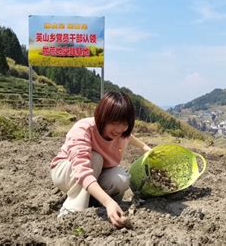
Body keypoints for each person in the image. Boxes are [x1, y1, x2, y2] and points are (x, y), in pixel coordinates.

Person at [50, 91, 151, 227]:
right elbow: (82, 170)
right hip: (67, 172)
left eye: (124, 123)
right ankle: (71, 213)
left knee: (121, 178)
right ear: (103, 116)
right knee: (95, 159)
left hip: (96, 172)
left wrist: (144, 147)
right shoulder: (84, 129)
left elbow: (129, 136)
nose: (119, 129)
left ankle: (102, 206)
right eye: (114, 122)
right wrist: (109, 202)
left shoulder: (121, 132)